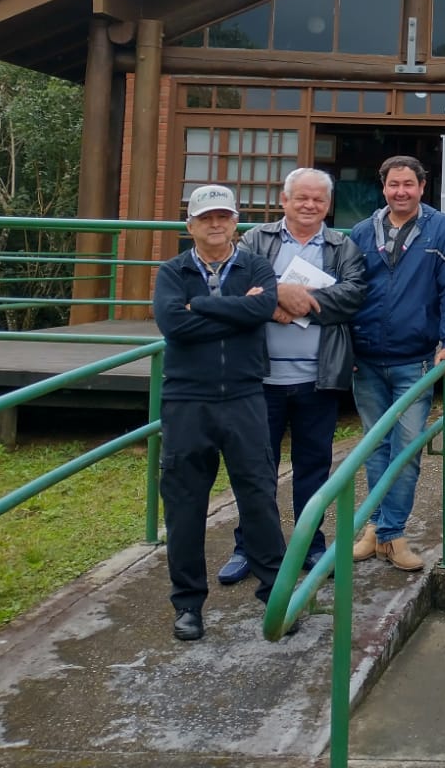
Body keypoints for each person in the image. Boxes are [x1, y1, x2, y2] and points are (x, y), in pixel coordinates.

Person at [217, 168, 367, 586]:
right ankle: (249, 545)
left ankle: (310, 544)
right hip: (259, 379)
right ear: (283, 200)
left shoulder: (342, 246)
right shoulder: (256, 240)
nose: (309, 205)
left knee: (314, 467)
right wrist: (275, 297)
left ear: (327, 205)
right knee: (253, 468)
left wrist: (296, 300)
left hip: (317, 378)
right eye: (301, 197)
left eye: (318, 199)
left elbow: (353, 295)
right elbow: (234, 287)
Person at [152, 184, 285, 643]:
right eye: (206, 218)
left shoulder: (256, 266)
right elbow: (174, 324)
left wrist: (204, 306)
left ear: (235, 223)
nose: (215, 224)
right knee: (185, 505)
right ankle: (188, 604)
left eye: (223, 216)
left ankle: (276, 590)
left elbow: (263, 308)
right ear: (190, 226)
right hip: (187, 401)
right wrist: (237, 310)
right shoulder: (172, 271)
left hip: (245, 396)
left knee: (259, 495)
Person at [348, 155, 445, 571]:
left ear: (422, 186)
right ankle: (376, 531)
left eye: (409, 185)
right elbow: (349, 290)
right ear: (383, 187)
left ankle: (391, 533)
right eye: (393, 184)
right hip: (365, 359)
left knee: (408, 448)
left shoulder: (442, 229)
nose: (401, 191)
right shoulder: (363, 232)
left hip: (414, 359)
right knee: (374, 448)